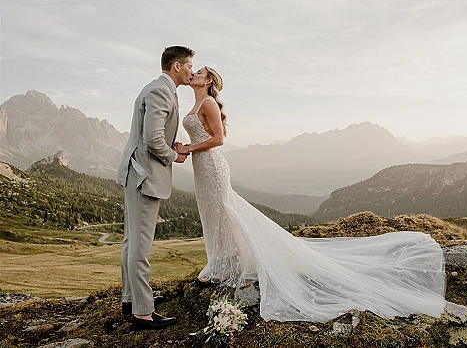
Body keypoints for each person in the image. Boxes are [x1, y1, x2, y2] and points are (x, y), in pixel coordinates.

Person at [176, 66, 446, 323]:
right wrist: (183, 150)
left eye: (199, 72)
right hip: (202, 168)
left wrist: (189, 148)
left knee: (226, 212)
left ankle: (228, 265)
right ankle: (221, 262)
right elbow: (202, 138)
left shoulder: (208, 103)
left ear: (208, 81)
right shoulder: (194, 105)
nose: (194, 73)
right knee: (212, 213)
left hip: (212, 166)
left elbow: (219, 139)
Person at [116, 46, 194, 331]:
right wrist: (175, 156)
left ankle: (131, 300)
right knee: (140, 246)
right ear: (176, 66)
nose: (191, 71)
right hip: (143, 177)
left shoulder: (157, 88)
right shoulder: (161, 91)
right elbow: (152, 139)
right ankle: (143, 314)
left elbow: (154, 135)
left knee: (130, 241)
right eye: (188, 66)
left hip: (136, 173)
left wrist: (170, 145)